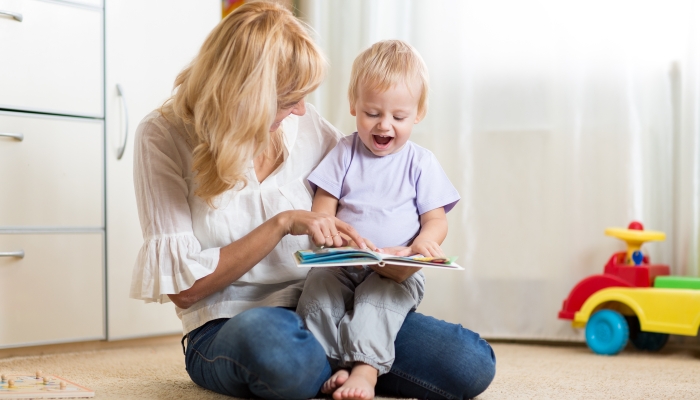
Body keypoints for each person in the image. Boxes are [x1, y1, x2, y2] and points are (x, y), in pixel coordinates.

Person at [130, 2, 496, 399]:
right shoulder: (162, 136)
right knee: (276, 345)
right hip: (231, 322)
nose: (302, 110)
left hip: (332, 304)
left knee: (469, 362)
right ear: (247, 97)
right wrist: (281, 223)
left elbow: (362, 192)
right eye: (290, 99)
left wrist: (396, 258)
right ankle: (343, 362)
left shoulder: (305, 126)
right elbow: (184, 290)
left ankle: (349, 365)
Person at [296, 40, 461, 400]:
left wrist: (422, 243)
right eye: (372, 113)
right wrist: (327, 233)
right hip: (344, 262)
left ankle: (366, 371)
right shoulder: (344, 151)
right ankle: (330, 365)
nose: (384, 125)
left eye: (398, 117)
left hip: (393, 268)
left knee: (376, 302)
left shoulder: (421, 162)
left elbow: (436, 219)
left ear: (418, 113)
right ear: (354, 105)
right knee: (316, 293)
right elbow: (324, 204)